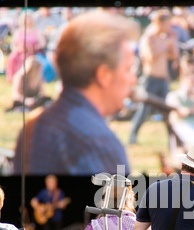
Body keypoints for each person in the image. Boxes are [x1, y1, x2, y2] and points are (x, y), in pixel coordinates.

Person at [13, 9, 139, 175]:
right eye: (128, 69)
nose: (133, 79)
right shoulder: (98, 142)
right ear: (104, 75)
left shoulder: (34, 125)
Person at [129, 9, 179, 144]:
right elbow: (150, 57)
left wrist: (173, 42)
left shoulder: (164, 38)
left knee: (168, 110)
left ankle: (173, 140)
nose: (169, 27)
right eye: (168, 24)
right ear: (160, 23)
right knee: (144, 110)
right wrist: (165, 45)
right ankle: (132, 136)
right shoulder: (148, 38)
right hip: (150, 79)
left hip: (163, 79)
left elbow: (174, 56)